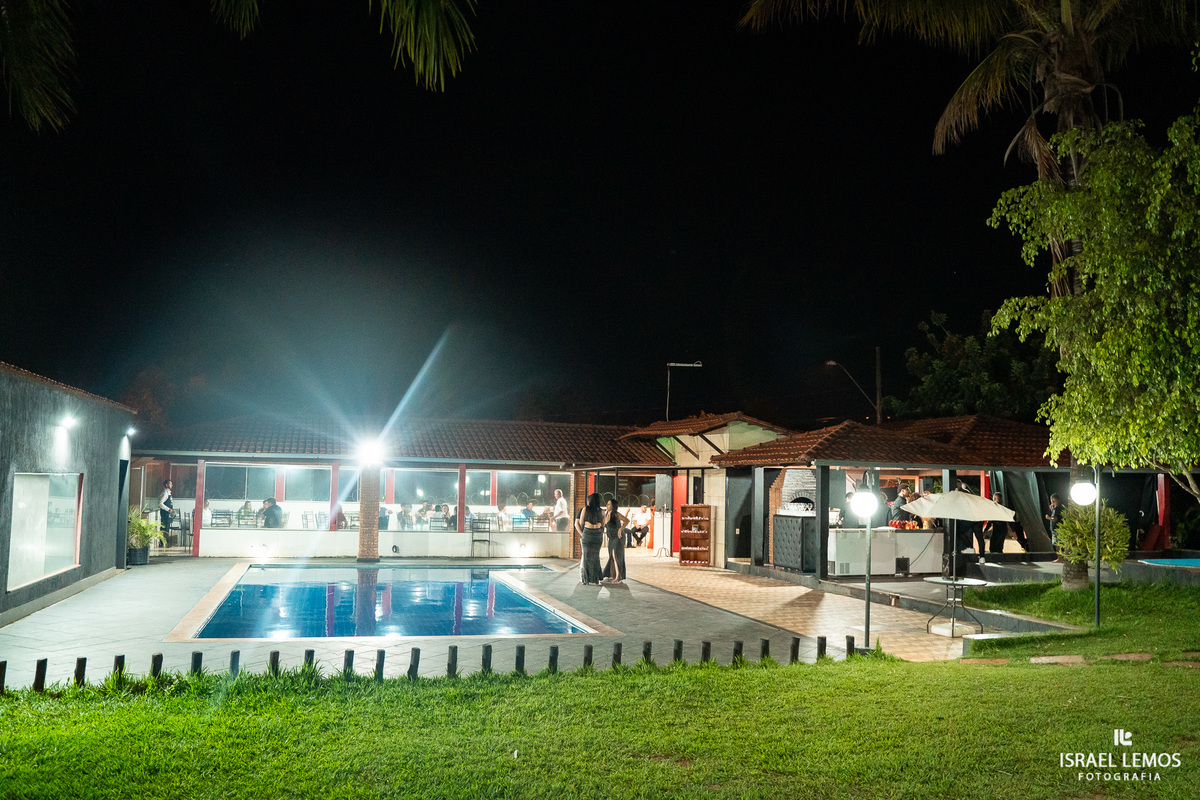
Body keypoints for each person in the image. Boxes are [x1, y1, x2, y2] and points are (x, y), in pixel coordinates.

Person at [575, 492, 605, 585]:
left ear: (590, 501)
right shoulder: (602, 511)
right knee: (596, 557)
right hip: (597, 534)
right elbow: (603, 525)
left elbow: (581, 522)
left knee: (586, 557)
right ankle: (595, 579)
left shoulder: (585, 509)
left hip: (587, 533)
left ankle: (586, 579)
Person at [602, 499, 629, 584]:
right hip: (611, 538)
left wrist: (621, 529)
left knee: (616, 556)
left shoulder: (616, 514)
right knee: (611, 556)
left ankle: (618, 577)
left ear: (613, 506)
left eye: (609, 504)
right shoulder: (606, 514)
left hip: (618, 537)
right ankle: (612, 575)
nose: (607, 505)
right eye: (607, 504)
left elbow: (627, 520)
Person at [1045, 493, 1063, 561]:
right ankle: (1060, 557)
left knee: (1057, 544)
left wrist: (1048, 518)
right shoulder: (1057, 509)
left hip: (1056, 528)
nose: (1052, 503)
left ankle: (1060, 558)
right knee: (1057, 543)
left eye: (1053, 501)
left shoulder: (1057, 509)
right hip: (1057, 528)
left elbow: (1055, 519)